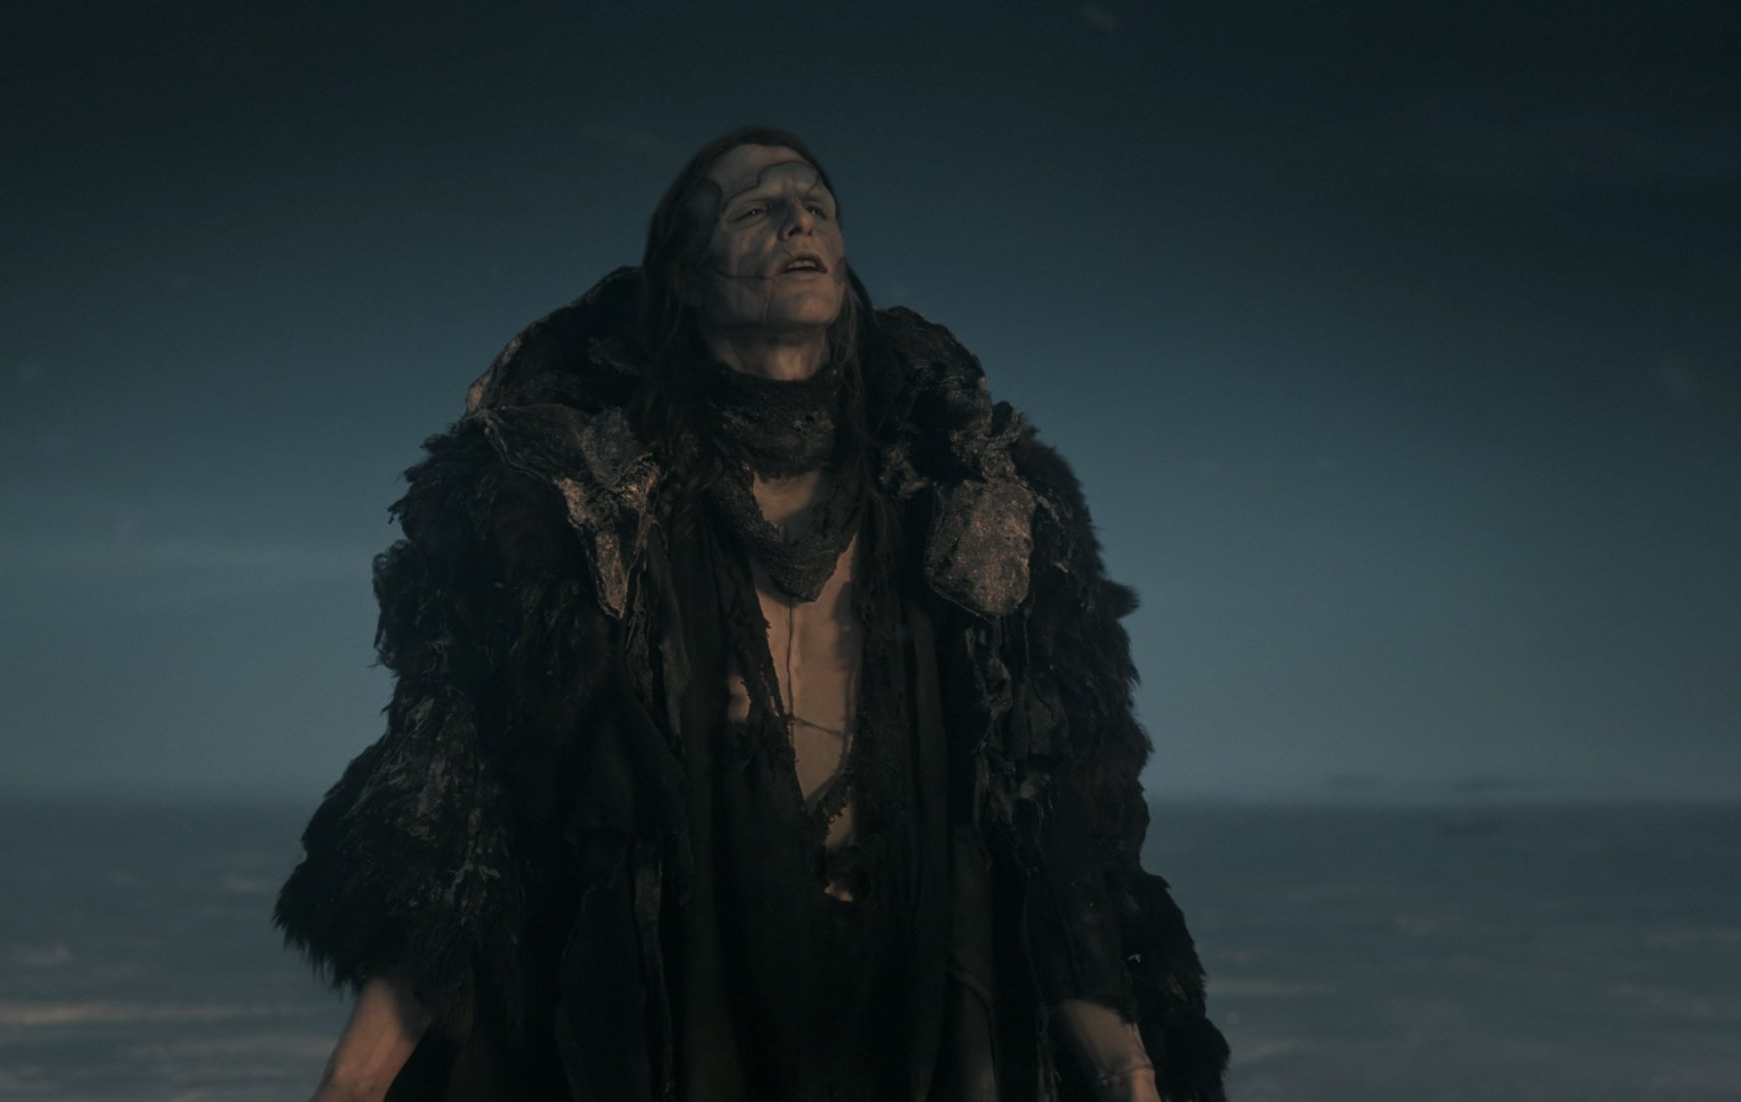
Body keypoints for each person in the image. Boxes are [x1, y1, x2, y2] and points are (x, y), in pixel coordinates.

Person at [275, 125, 1230, 1101]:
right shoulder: (570, 516)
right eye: (755, 208)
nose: (798, 221)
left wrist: (1125, 1064)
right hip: (669, 1020)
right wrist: (355, 1082)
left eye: (816, 204)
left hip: (915, 1013)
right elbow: (464, 808)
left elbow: (1052, 806)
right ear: (686, 276)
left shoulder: (965, 498)